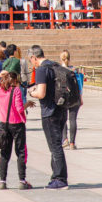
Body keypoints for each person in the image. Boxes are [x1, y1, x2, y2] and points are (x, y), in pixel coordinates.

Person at [28, 45, 68, 189]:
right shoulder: (55, 65)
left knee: (55, 146)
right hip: (61, 109)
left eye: (30, 60)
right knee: (56, 144)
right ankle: (56, 176)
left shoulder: (41, 69)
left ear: (34, 57)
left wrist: (31, 93)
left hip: (49, 111)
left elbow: (41, 93)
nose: (31, 62)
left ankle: (60, 179)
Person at [0, 69, 35, 190]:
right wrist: (28, 104)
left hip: (3, 124)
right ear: (15, 81)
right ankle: (22, 180)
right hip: (17, 125)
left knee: (4, 153)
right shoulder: (16, 90)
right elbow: (19, 109)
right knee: (20, 152)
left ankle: (2, 181)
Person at [60, 50, 84, 150]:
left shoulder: (59, 70)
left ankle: (65, 139)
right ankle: (72, 143)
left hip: (63, 98)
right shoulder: (75, 70)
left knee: (63, 119)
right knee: (73, 119)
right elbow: (80, 85)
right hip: (75, 97)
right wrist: (81, 97)